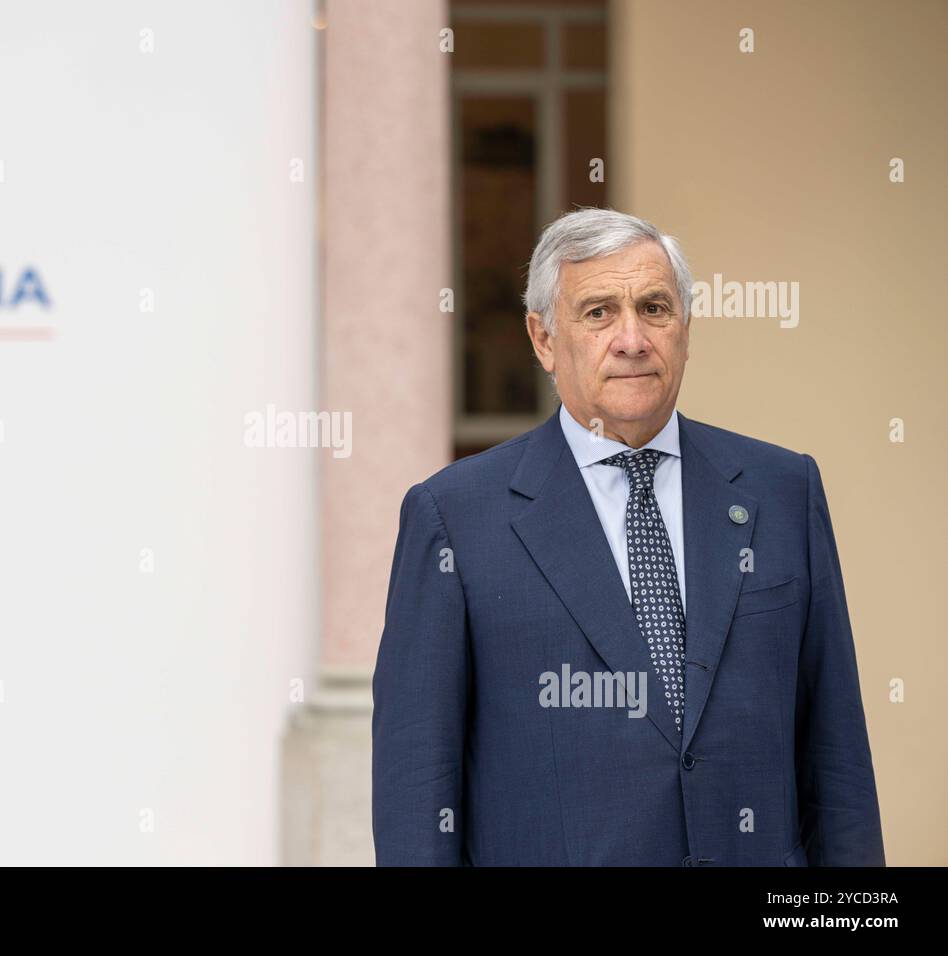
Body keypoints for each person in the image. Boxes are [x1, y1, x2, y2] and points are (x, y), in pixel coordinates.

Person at [370, 208, 884, 866]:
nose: (632, 338)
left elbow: (837, 764)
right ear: (544, 339)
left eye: (654, 308)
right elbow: (417, 792)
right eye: (598, 313)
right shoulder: (454, 518)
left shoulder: (782, 490)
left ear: (686, 331)